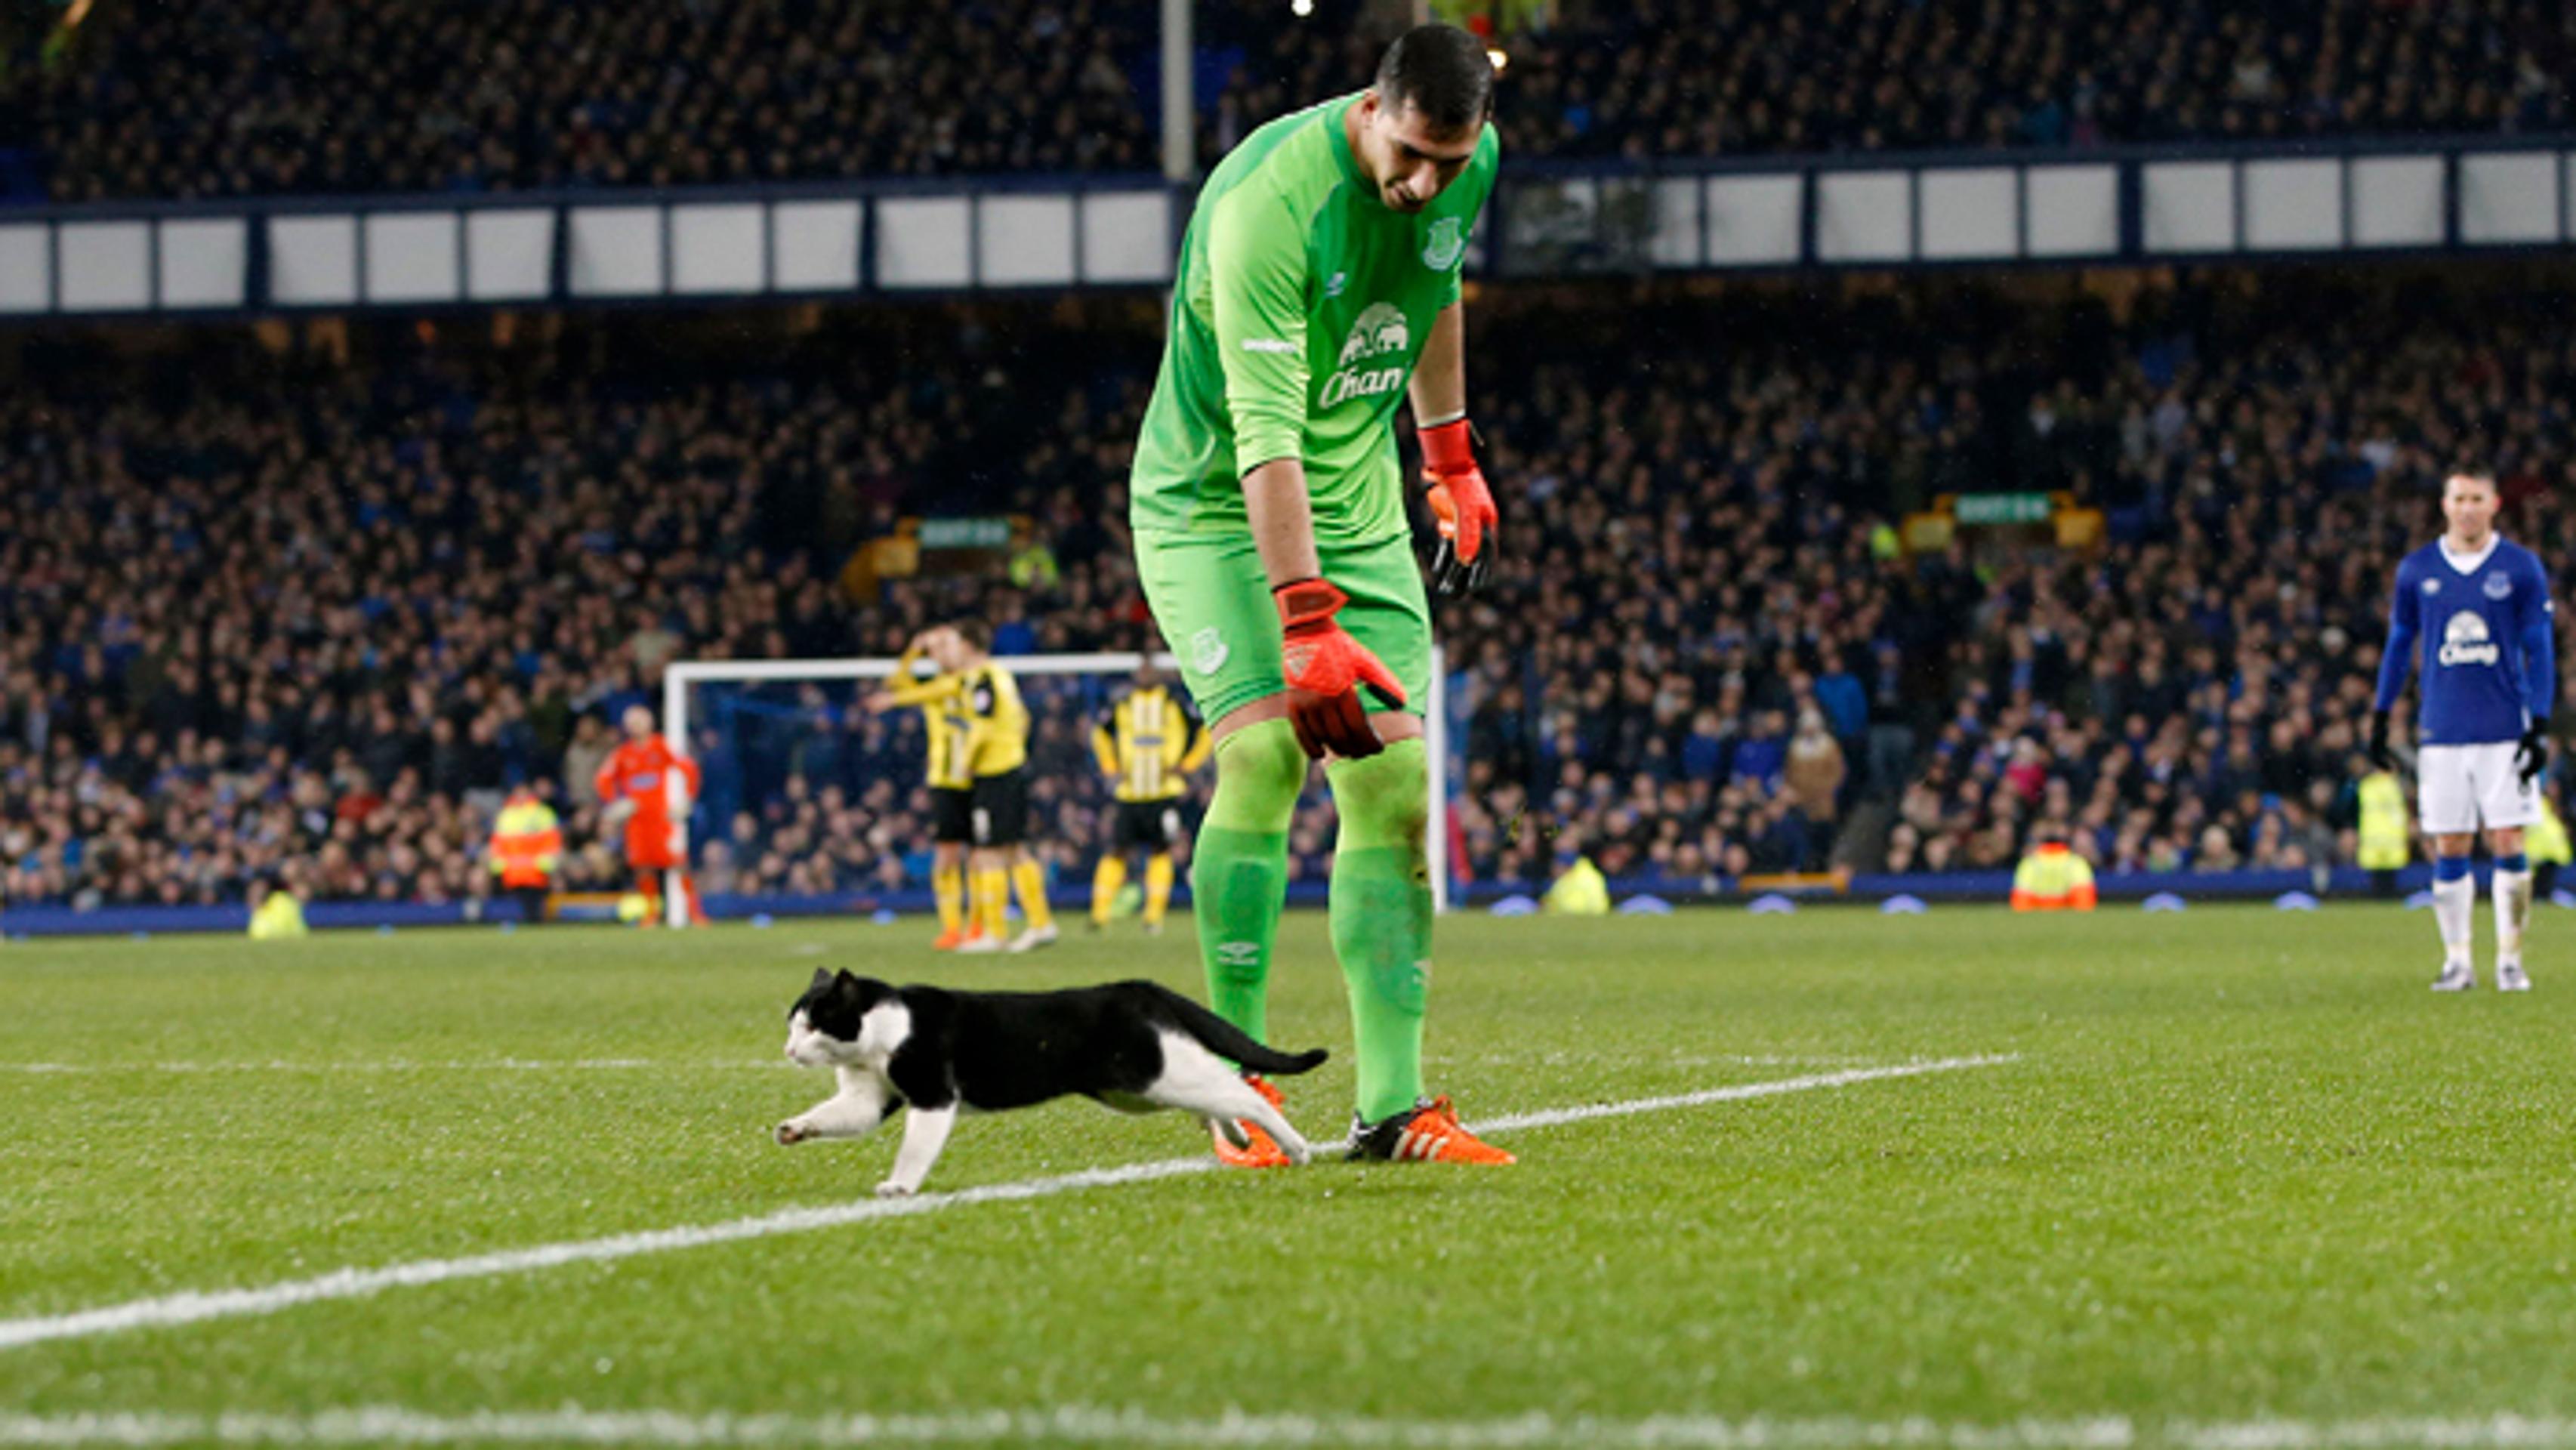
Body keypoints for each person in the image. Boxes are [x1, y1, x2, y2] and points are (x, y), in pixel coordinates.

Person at [1126, 23, 1512, 1167]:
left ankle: (1392, 1109)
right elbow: (1265, 437)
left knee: (1392, 782)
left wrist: (1449, 455)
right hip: (1213, 502)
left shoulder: (1469, 163)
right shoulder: (1268, 207)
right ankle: (1232, 1086)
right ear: (1371, 109)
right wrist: (1304, 619)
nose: (1427, 182)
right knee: (1262, 755)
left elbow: (1433, 286)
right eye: (1410, 155)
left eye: (1449, 161)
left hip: (1355, 499)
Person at [2373, 470, 2556, 992]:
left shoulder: (2519, 566)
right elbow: (2398, 643)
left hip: (2504, 726)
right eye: (2459, 498)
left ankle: (2510, 961)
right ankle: (2457, 962)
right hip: (2442, 728)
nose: (2468, 508)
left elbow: (2539, 646)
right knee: (2449, 842)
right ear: (2445, 504)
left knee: (2507, 835)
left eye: (2477, 498)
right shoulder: (2418, 569)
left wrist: (2539, 722)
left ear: (2494, 504)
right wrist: (2380, 714)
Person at [940, 620, 1057, 954]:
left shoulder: (984, 679)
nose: (951, 651)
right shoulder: (1000, 676)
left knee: (989, 853)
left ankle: (996, 933)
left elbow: (983, 727)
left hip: (995, 773)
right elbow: (1022, 719)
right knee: (1013, 849)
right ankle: (1040, 924)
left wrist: (966, 762)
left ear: (967, 646)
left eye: (954, 644)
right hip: (1008, 769)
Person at [867, 627, 983, 949]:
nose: (941, 652)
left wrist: (894, 699)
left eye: (947, 645)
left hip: (978, 776)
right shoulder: (934, 687)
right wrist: (914, 650)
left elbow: (905, 692)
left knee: (979, 856)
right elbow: (896, 681)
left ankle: (978, 925)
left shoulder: (971, 680)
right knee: (947, 855)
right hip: (944, 780)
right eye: (937, 649)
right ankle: (952, 927)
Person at [1090, 660, 1212, 934]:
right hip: (1129, 793)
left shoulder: (1175, 703)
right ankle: (1099, 914)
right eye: (1141, 670)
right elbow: (1100, 734)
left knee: (1161, 850)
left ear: (1158, 674)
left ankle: (1153, 917)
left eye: (1149, 670)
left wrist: (1188, 765)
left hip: (1164, 793)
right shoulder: (1122, 703)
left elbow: (1205, 731)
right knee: (1117, 850)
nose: (1144, 674)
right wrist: (1110, 767)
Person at [594, 705, 706, 927]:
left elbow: (689, 769)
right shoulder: (623, 753)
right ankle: (651, 914)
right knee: (643, 867)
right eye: (631, 723)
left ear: (650, 723)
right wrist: (615, 802)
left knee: (679, 864)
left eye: (639, 722)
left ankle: (695, 913)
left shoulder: (661, 746)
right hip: (637, 821)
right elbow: (603, 779)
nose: (635, 727)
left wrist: (688, 799)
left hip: (663, 818)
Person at [487, 783, 563, 925]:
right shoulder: (505, 815)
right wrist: (500, 864)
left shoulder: (542, 813)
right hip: (511, 873)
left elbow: (552, 843)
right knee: (517, 909)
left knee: (534, 909)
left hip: (536, 872)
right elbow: (497, 845)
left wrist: (544, 863)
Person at [2009, 824, 2096, 911]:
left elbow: (2020, 902)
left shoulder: (2030, 863)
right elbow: (2084, 902)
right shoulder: (2076, 863)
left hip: (2036, 915)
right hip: (2069, 915)